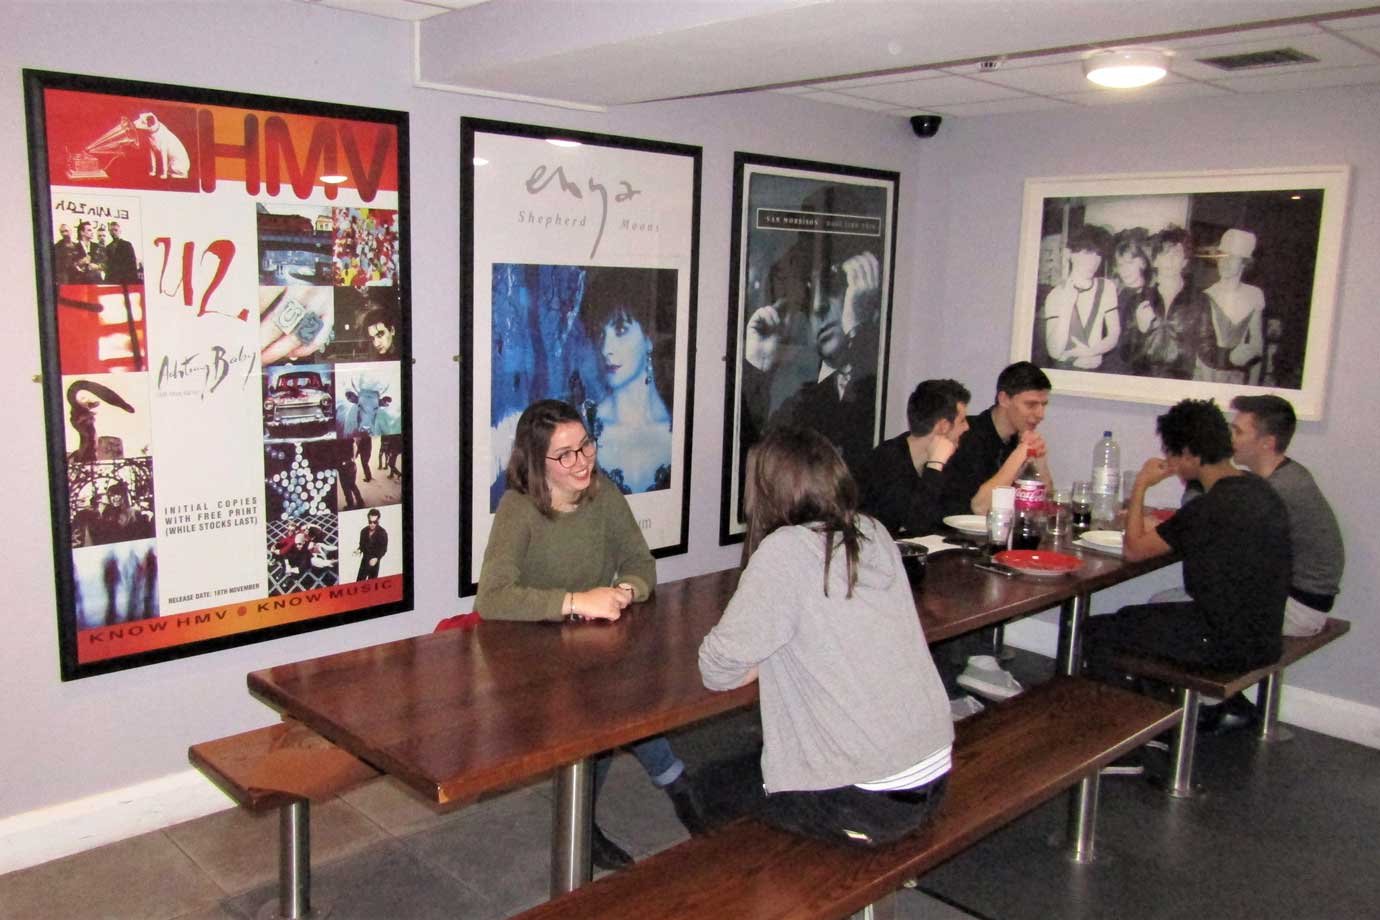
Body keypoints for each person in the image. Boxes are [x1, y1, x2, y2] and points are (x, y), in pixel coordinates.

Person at [475, 399, 706, 870]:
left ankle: (668, 789)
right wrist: (577, 601)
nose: (582, 461)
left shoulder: (605, 494)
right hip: (533, 653)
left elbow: (641, 563)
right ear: (537, 463)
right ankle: (661, 792)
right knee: (602, 707)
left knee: (624, 693)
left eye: (585, 446)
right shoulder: (518, 509)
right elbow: (492, 598)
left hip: (593, 646)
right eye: (566, 455)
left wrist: (626, 590)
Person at [699, 426, 953, 847]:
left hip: (868, 801)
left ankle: (776, 896)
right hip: (934, 774)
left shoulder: (786, 551)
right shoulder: (873, 531)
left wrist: (775, 651)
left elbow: (717, 670)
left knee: (709, 790)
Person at [1086, 400, 1290, 684]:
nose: (1171, 463)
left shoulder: (1208, 507)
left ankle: (1130, 718)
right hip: (1263, 635)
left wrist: (1141, 484)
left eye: (1173, 454)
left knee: (1097, 631)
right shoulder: (1259, 490)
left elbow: (1134, 550)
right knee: (1134, 617)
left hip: (1222, 642)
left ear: (1190, 455)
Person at [1229, 394, 1342, 637]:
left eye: (1238, 432)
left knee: (1164, 604)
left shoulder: (1278, 490)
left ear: (1267, 442)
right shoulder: (1290, 473)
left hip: (1297, 609)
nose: (1231, 439)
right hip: (1300, 599)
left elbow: (1230, 548)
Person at [581, 268, 673, 494]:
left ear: (649, 337)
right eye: (600, 334)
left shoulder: (683, 422)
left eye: (620, 330)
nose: (606, 348)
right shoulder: (583, 428)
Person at [858, 378, 972, 537]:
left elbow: (957, 512)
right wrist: (934, 466)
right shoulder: (886, 461)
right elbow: (916, 525)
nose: (967, 427)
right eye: (962, 420)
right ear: (943, 426)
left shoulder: (948, 461)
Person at [940, 361, 1053, 517]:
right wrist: (1019, 456)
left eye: (1044, 405)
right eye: (1031, 405)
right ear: (1004, 399)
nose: (1041, 414)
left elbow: (1046, 508)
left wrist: (1039, 461)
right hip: (950, 535)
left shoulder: (1019, 438)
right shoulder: (966, 436)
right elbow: (981, 507)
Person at [1123, 225, 1207, 379]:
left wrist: (1233, 357)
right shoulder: (1137, 300)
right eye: (1163, 253)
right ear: (1155, 260)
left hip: (1180, 382)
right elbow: (1125, 354)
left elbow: (1207, 349)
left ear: (1185, 261)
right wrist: (1140, 331)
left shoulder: (1200, 300)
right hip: (1142, 381)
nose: (1169, 260)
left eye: (1176, 254)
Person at [1040, 225, 1120, 370]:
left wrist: (1090, 352)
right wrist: (1067, 306)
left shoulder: (1107, 287)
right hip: (1065, 369)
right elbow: (1054, 351)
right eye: (1087, 253)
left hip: (1096, 368)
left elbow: (1114, 334)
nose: (1094, 261)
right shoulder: (1056, 295)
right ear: (1069, 254)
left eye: (1098, 254)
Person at [1198, 229, 1265, 384]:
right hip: (1209, 375)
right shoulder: (1208, 294)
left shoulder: (1255, 294)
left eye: (1233, 257)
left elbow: (1257, 345)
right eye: (1222, 255)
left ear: (1244, 262)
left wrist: (1253, 386)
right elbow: (1203, 352)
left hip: (1238, 377)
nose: (1225, 262)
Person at [355, 509, 388, 581]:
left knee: (373, 584)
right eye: (370, 522)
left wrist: (377, 558)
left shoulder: (383, 533)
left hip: (375, 562)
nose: (372, 524)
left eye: (375, 522)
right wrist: (359, 550)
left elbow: (384, 549)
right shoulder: (363, 531)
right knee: (359, 582)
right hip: (364, 561)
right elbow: (362, 545)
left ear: (378, 520)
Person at [104, 220, 140, 285]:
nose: (113, 232)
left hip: (125, 279)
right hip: (112, 280)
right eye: (111, 230)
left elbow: (132, 264)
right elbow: (108, 265)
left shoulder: (127, 245)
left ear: (120, 231)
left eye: (115, 230)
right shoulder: (108, 247)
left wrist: (132, 280)